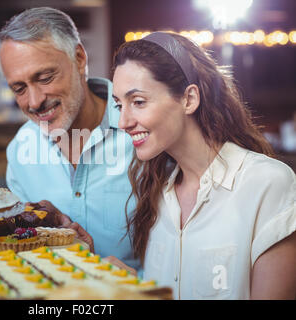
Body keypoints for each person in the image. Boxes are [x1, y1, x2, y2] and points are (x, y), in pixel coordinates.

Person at [109, 32, 295, 299]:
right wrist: (126, 284)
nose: (123, 122)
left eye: (138, 102)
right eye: (119, 105)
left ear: (189, 99)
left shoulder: (267, 183)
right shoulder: (158, 193)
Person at [0, 7, 140, 273]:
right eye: (19, 88)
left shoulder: (141, 130)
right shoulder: (21, 149)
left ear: (80, 59)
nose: (35, 101)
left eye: (45, 77)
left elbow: (182, 260)